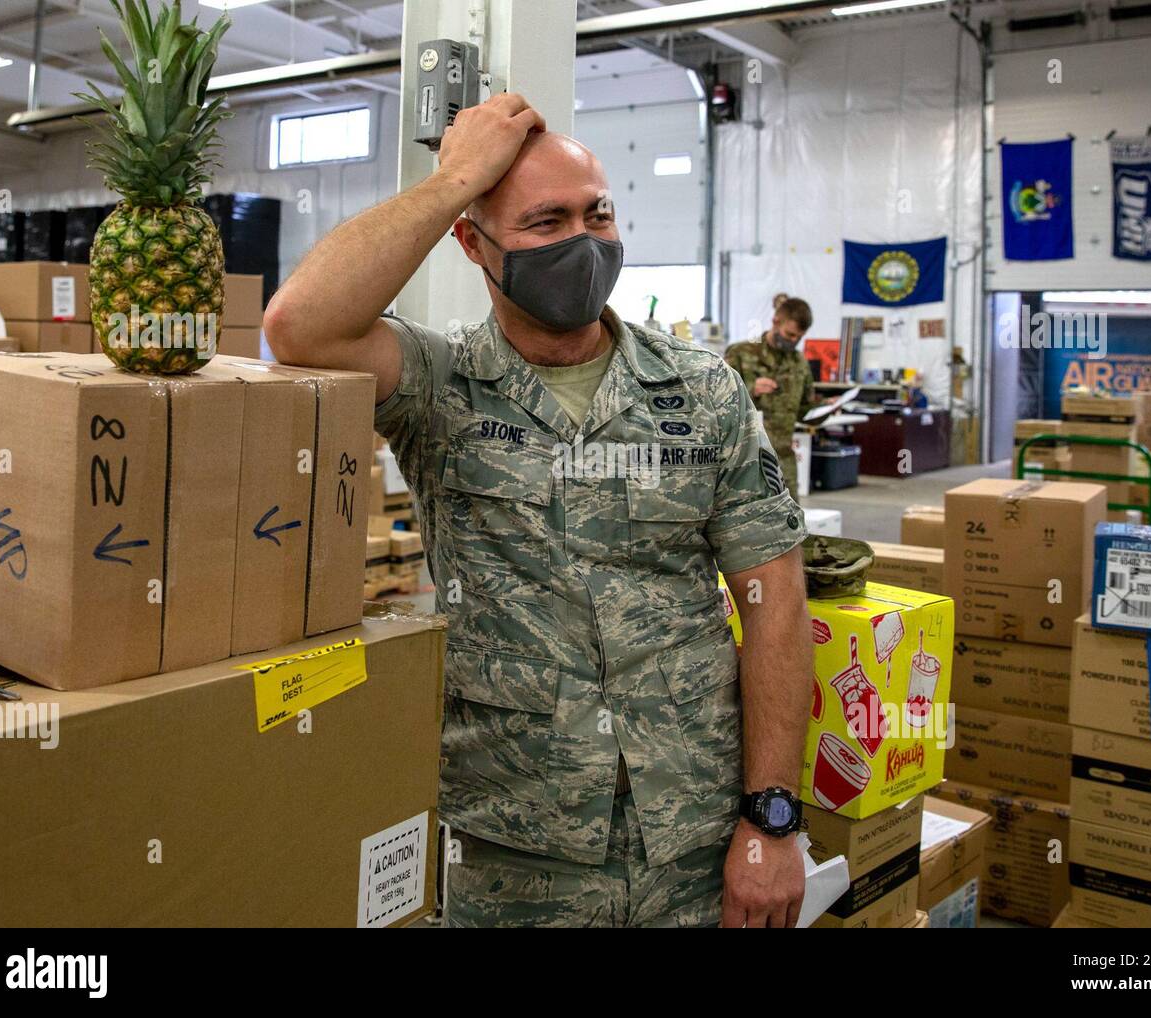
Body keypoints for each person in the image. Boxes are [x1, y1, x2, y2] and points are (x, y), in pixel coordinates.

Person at [264, 93, 812, 928]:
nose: (582, 244)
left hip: (695, 829)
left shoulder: (702, 392)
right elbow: (299, 326)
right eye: (545, 222)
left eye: (597, 215)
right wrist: (455, 179)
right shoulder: (441, 384)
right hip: (514, 843)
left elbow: (774, 606)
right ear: (473, 242)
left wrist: (771, 820)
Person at [724, 297, 816, 497]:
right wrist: (751, 389)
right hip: (745, 460)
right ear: (775, 321)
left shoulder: (799, 363)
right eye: (789, 334)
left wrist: (827, 407)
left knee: (790, 522)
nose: (793, 341)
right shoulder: (741, 353)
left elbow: (805, 410)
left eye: (798, 337)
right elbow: (717, 402)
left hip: (783, 460)